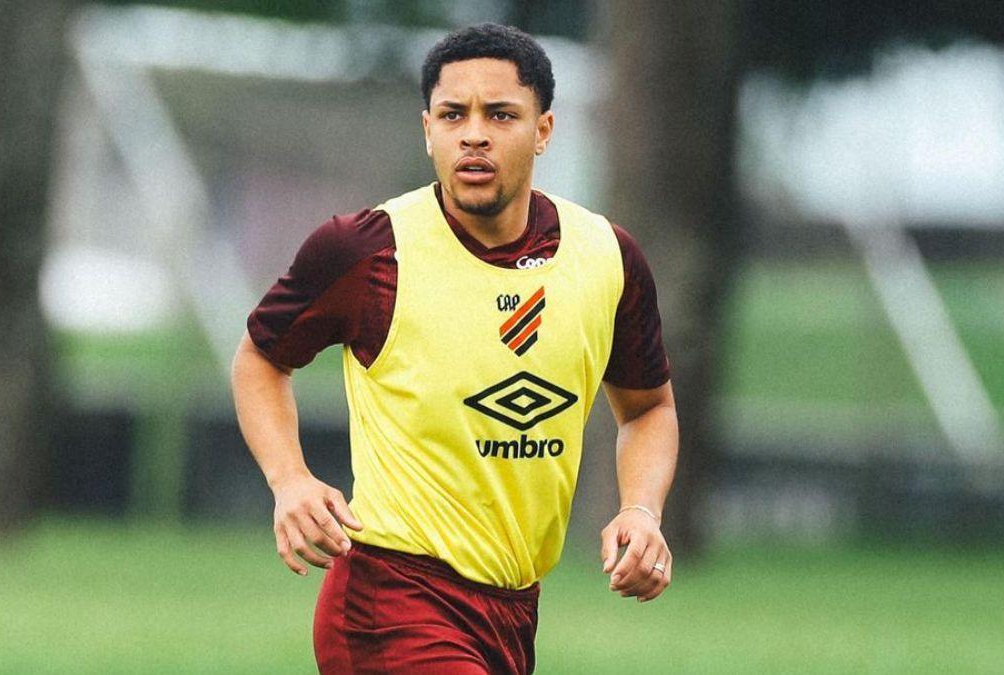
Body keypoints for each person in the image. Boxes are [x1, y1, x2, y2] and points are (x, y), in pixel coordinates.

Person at [231, 22, 679, 675]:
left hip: (512, 610)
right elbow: (259, 359)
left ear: (544, 130)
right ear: (428, 130)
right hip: (390, 601)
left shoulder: (607, 256)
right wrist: (289, 479)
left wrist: (641, 510)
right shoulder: (370, 249)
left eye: (500, 114)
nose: (474, 133)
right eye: (453, 114)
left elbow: (647, 410)